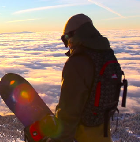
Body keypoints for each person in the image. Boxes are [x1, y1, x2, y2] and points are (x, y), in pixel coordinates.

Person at [48, 13, 122, 142]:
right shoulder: (106, 55)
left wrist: (58, 139)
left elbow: (69, 110)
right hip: (103, 132)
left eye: (66, 39)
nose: (67, 45)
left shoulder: (77, 63)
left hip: (82, 134)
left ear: (74, 35)